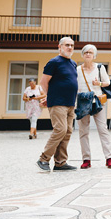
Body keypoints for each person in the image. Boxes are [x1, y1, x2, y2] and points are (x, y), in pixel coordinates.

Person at [37, 37, 79, 172]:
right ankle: (43, 159)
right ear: (59, 47)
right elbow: (43, 82)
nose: (70, 47)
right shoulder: (54, 62)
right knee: (60, 129)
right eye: (67, 45)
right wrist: (50, 97)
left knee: (67, 132)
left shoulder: (72, 63)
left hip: (70, 103)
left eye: (72, 45)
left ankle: (60, 162)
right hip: (58, 103)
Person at [76, 44, 111, 169]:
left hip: (97, 101)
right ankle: (86, 159)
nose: (88, 54)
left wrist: (99, 83)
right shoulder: (77, 69)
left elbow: (107, 82)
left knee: (103, 129)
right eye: (86, 52)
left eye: (90, 52)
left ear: (94, 55)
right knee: (83, 132)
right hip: (82, 102)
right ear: (82, 54)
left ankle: (109, 158)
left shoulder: (99, 67)